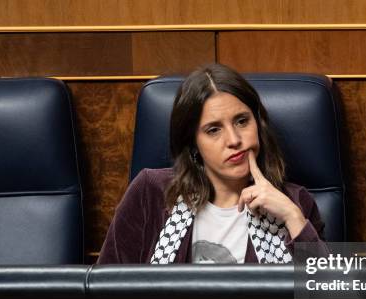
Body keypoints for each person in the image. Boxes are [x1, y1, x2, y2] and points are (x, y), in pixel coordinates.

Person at [97, 63, 325, 264]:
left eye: (242, 121)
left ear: (259, 124)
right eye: (213, 130)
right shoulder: (150, 191)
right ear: (193, 143)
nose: (235, 140)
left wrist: (293, 218)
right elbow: (106, 291)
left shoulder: (296, 202)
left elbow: (333, 292)